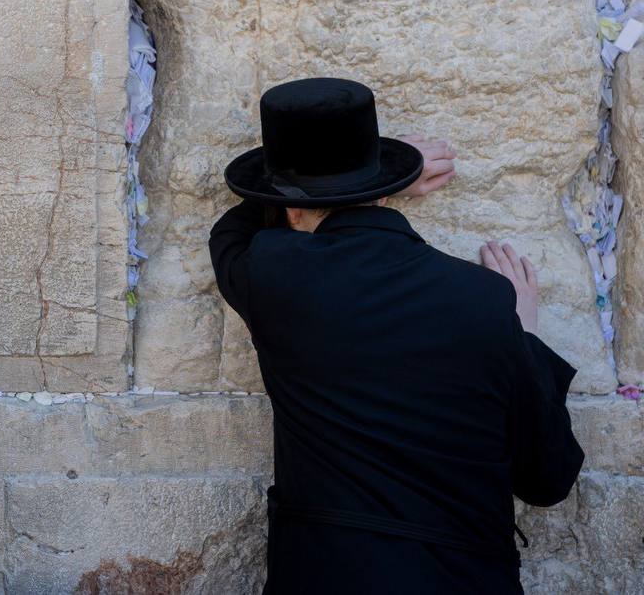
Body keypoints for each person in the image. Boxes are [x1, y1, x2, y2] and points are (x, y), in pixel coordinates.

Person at [209, 77, 583, 594]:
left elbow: (230, 231)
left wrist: (358, 184)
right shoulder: (485, 302)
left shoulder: (271, 277)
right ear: (382, 195)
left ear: (289, 210)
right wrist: (524, 336)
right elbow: (548, 479)